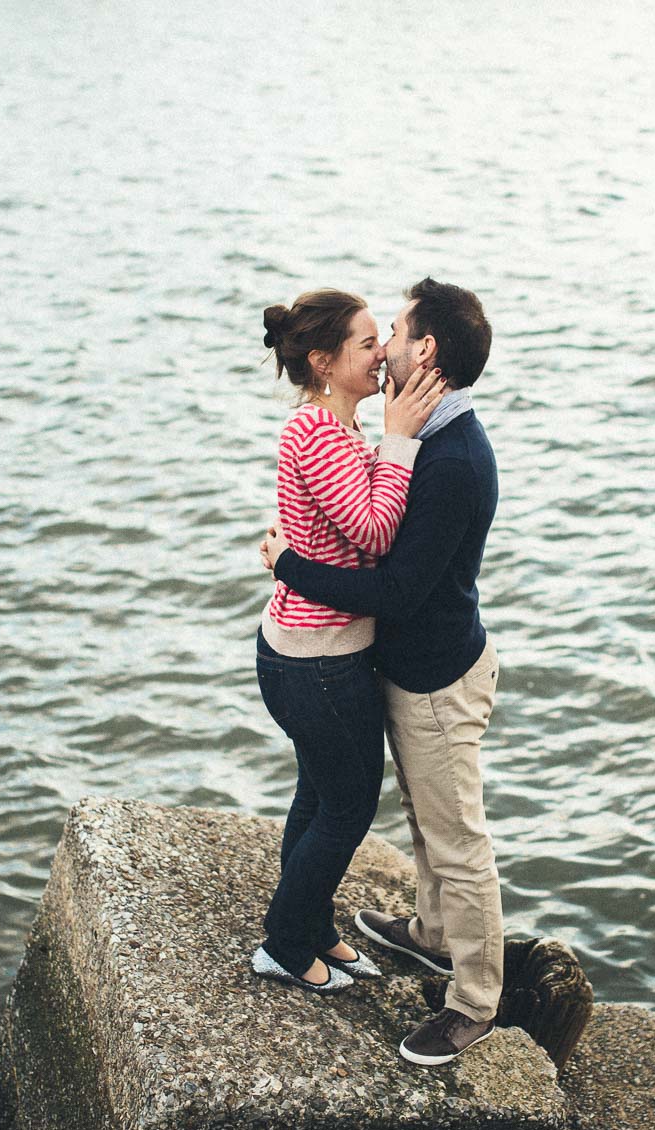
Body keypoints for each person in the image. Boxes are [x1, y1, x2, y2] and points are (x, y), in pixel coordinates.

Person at [261, 278, 500, 1065]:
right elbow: (358, 514)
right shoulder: (415, 432)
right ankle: (429, 935)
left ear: (423, 350)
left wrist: (290, 563)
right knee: (419, 821)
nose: (386, 345)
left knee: (454, 838)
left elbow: (391, 579)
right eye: (374, 336)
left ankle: (473, 1001)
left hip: (435, 679)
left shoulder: (452, 458)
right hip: (387, 664)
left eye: (392, 332)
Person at [252, 289, 447, 993]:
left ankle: (309, 924)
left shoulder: (336, 430)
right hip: (317, 662)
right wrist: (399, 438)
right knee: (346, 806)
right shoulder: (316, 433)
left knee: (318, 794)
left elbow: (354, 529)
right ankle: (282, 941)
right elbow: (371, 532)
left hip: (318, 654)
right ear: (323, 362)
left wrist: (384, 437)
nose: (382, 354)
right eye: (367, 344)